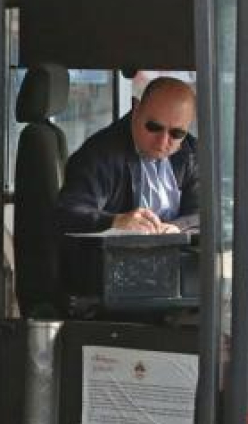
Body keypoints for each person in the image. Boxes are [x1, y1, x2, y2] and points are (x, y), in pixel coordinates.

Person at [54, 76, 198, 296]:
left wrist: (177, 228)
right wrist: (117, 222)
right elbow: (67, 212)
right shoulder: (100, 155)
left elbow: (209, 212)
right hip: (110, 285)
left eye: (176, 133)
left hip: (174, 280)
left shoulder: (190, 154)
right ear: (136, 108)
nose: (162, 142)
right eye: (154, 127)